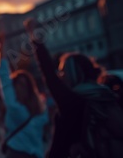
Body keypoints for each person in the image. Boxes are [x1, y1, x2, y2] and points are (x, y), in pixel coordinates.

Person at [24, 18, 123, 157]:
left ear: (74, 74)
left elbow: (48, 72)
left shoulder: (72, 101)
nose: (60, 76)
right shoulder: (106, 95)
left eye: (63, 71)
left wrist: (35, 35)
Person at [0, 34, 48, 158]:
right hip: (26, 153)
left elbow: (3, 76)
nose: (20, 88)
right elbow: (3, 76)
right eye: (19, 85)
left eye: (23, 85)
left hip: (26, 153)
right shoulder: (35, 110)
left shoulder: (35, 108)